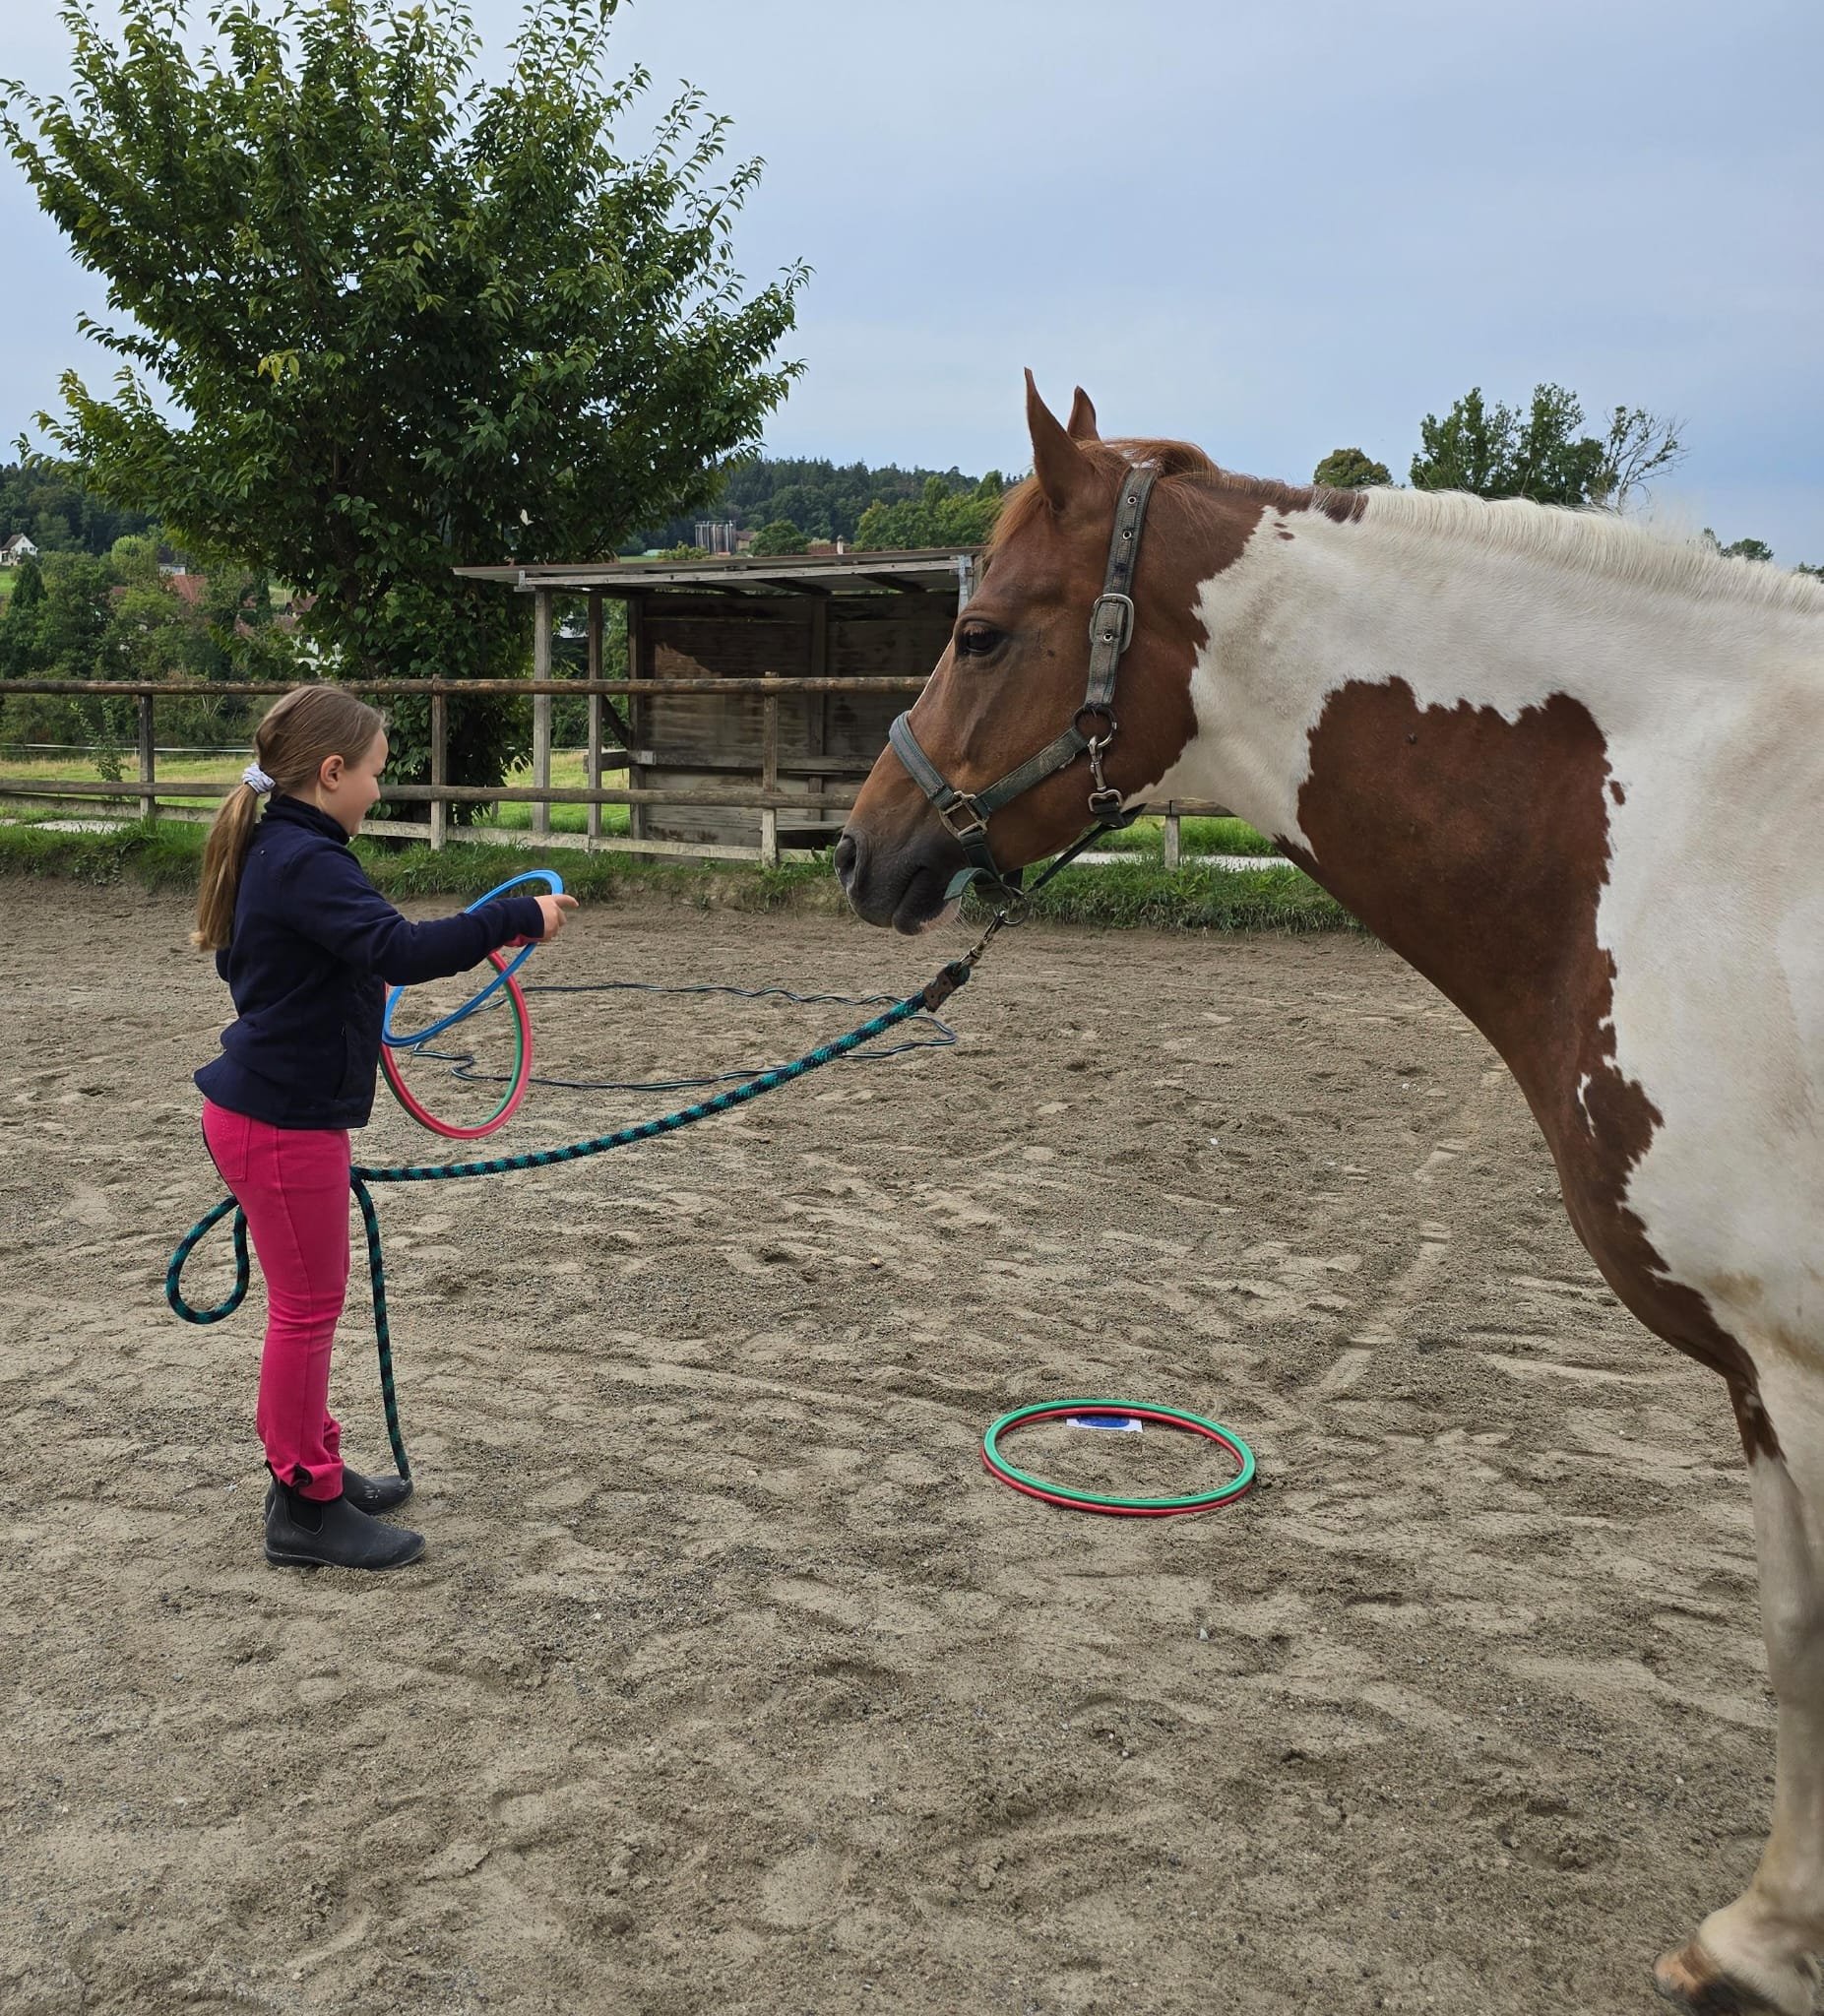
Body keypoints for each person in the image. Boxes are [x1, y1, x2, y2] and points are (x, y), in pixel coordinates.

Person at [191, 686, 577, 1572]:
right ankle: (304, 1503)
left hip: (277, 1114)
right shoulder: (304, 860)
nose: (378, 788)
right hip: (279, 1125)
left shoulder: (282, 847)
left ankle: (313, 1467)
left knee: (307, 1305)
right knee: (306, 1310)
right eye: (373, 773)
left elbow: (260, 964)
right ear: (331, 773)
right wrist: (518, 917)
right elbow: (399, 950)